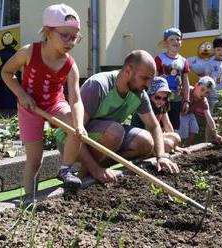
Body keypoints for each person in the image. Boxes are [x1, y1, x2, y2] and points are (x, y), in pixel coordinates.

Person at [56, 50, 179, 184]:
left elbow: (154, 126)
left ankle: (101, 168)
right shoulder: (98, 85)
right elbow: (74, 131)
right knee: (115, 131)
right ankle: (86, 174)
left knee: (146, 142)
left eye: (151, 79)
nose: (148, 84)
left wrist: (161, 156)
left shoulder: (139, 93)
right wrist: (95, 168)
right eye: (145, 78)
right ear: (128, 71)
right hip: (70, 141)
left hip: (108, 138)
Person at [1, 3, 86, 193]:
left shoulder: (70, 65)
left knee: (74, 124)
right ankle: (30, 199)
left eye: (74, 38)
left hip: (54, 104)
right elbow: (7, 73)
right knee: (35, 159)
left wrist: (79, 125)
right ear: (47, 31)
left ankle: (66, 170)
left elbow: (76, 99)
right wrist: (21, 95)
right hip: (29, 107)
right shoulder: (29, 52)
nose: (70, 42)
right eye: (65, 36)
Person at [131, 76, 188, 154]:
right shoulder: (146, 106)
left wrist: (176, 146)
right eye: (158, 97)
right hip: (141, 138)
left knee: (176, 137)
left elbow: (167, 125)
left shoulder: (162, 106)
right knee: (168, 144)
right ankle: (149, 154)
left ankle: (160, 150)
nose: (161, 101)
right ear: (151, 94)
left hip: (152, 135)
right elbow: (149, 130)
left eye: (164, 98)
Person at [155, 27, 190, 130]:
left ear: (181, 42)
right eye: (172, 39)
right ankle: (159, 145)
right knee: (160, 124)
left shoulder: (183, 61)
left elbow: (185, 82)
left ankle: (173, 144)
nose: (175, 41)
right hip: (161, 99)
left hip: (177, 99)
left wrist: (186, 100)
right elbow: (153, 78)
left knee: (174, 125)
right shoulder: (160, 59)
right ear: (166, 43)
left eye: (178, 39)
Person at [178, 76, 222, 146]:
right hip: (179, 113)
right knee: (184, 127)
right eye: (202, 89)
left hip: (189, 114)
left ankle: (188, 145)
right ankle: (179, 145)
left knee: (195, 128)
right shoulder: (187, 90)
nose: (203, 94)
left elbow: (209, 117)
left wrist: (215, 134)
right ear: (196, 85)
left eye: (207, 92)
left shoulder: (203, 100)